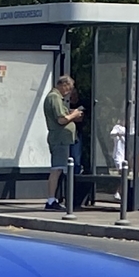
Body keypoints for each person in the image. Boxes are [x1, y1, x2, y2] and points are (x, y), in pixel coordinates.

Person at [43, 74, 81, 210]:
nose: (69, 92)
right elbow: (61, 120)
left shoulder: (56, 98)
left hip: (63, 138)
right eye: (68, 89)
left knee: (62, 169)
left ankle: (56, 199)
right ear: (63, 85)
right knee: (57, 169)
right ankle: (51, 200)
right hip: (60, 139)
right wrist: (74, 114)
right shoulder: (54, 97)